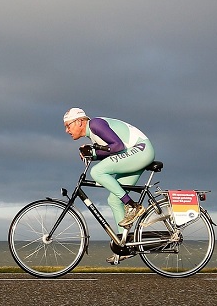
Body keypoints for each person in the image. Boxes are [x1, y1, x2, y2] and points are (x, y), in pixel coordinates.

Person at [63, 108, 155, 261]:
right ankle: (123, 246)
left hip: (141, 150)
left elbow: (117, 146)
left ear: (79, 121)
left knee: (97, 172)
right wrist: (93, 153)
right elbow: (112, 151)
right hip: (135, 153)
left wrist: (95, 150)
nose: (67, 130)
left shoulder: (95, 125)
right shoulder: (93, 134)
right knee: (113, 200)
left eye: (68, 125)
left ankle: (132, 206)